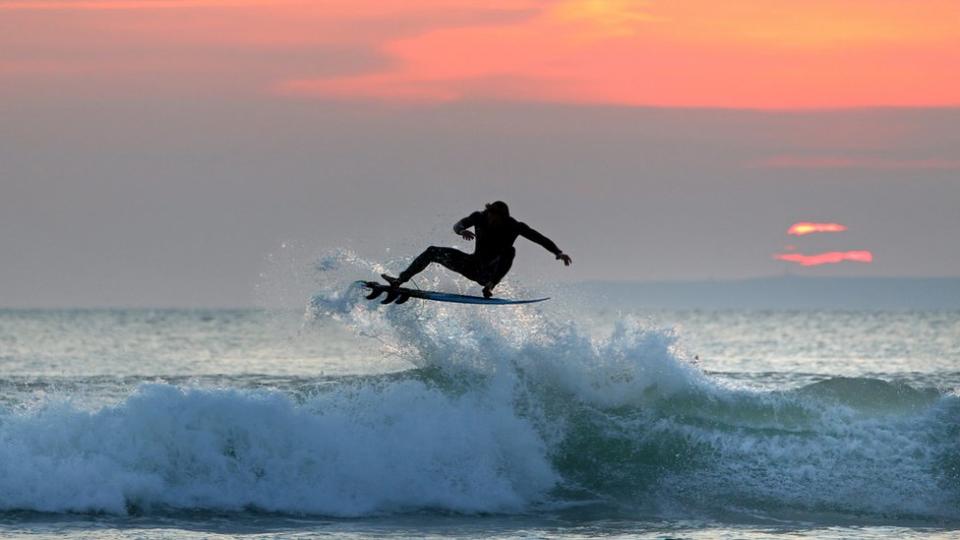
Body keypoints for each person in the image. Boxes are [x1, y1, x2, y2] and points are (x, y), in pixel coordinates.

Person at [381, 201, 572, 298]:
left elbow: (539, 238)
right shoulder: (479, 217)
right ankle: (399, 280)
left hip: (489, 272)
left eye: (495, 218)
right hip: (471, 265)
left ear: (503, 218)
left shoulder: (514, 226)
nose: (491, 220)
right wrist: (461, 231)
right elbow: (457, 225)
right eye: (490, 216)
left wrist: (558, 252)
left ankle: (490, 286)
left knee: (510, 251)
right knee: (432, 251)